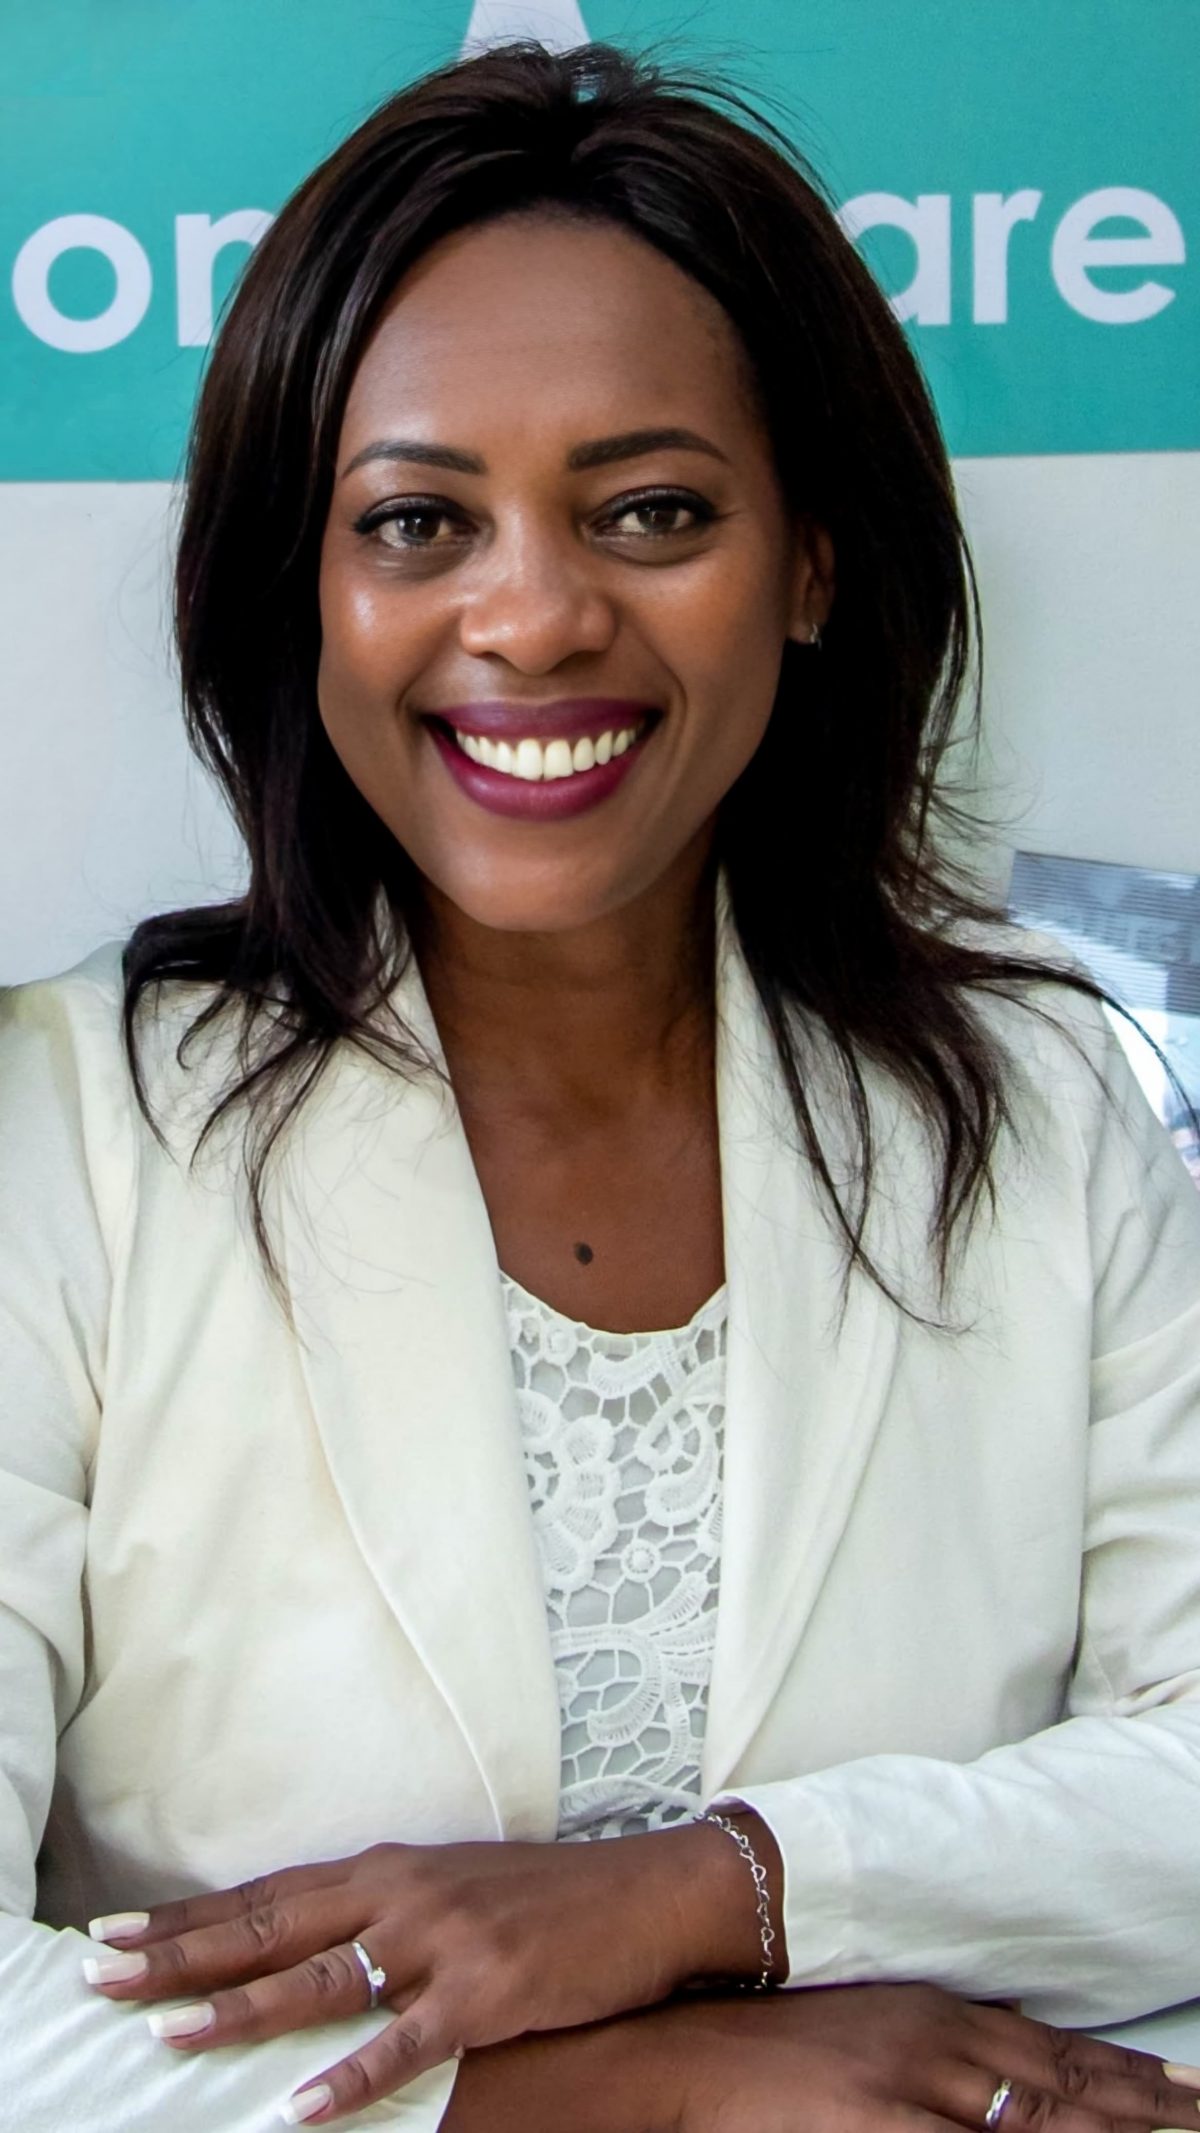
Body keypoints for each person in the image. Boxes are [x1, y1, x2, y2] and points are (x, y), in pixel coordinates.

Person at [3, 37, 1200, 2133]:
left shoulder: (1041, 1102)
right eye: (418, 521)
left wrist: (708, 1892)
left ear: (812, 561)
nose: (537, 614)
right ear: (303, 592)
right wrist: (651, 2085)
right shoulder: (62, 1132)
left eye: (652, 509)